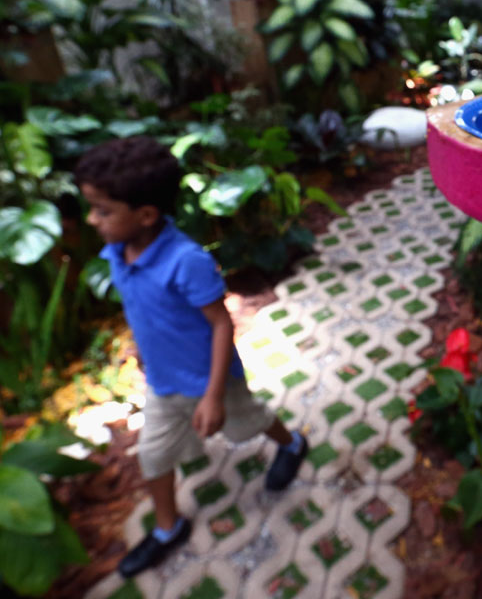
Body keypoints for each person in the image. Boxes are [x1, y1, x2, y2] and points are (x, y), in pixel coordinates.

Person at [75, 136, 308, 578]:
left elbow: (222, 324)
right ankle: (167, 528)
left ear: (144, 214)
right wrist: (142, 352)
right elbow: (141, 309)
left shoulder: (186, 261)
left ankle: (292, 443)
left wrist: (214, 396)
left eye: (103, 210)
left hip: (211, 381)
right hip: (163, 384)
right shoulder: (118, 253)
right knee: (154, 455)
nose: (92, 220)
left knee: (248, 423)